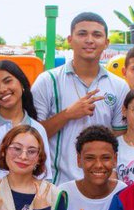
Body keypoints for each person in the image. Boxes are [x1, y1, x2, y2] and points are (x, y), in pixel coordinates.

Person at [31, 12, 127, 183]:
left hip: (101, 185)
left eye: (97, 35)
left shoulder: (119, 86)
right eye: (82, 34)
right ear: (70, 39)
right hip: (56, 185)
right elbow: (32, 135)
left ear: (106, 43)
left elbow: (120, 137)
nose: (89, 40)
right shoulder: (48, 80)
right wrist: (67, 114)